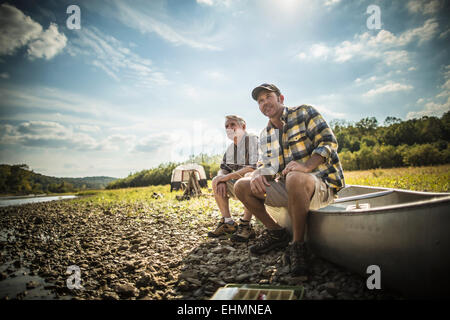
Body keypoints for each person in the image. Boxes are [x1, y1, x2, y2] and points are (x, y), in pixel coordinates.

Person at [234, 84, 345, 276]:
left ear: (281, 98)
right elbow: (269, 166)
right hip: (291, 188)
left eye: (268, 97)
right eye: (260, 101)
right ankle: (275, 232)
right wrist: (258, 173)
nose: (264, 102)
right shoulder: (265, 134)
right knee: (242, 185)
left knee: (295, 176)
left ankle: (298, 245)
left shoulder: (304, 113)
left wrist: (307, 166)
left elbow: (328, 142)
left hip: (321, 184)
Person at [208, 115, 259, 242]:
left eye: (232, 125)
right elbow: (223, 167)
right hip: (240, 185)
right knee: (216, 179)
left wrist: (227, 177)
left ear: (243, 126)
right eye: (226, 126)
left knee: (247, 177)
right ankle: (228, 223)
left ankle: (245, 225)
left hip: (262, 185)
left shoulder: (252, 140)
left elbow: (252, 168)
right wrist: (221, 178)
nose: (229, 128)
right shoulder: (231, 148)